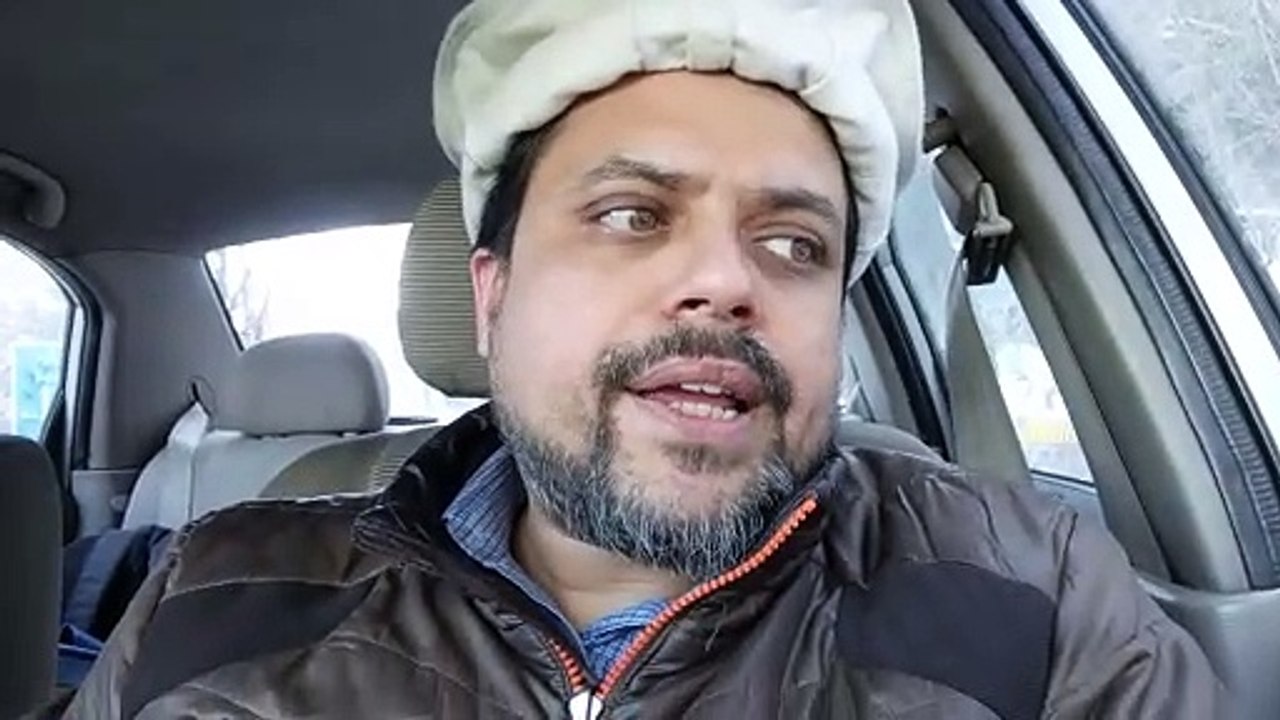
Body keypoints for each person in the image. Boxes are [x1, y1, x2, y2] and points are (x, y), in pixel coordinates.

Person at [60, 0, 1225, 717]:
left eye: (793, 243)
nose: (724, 280)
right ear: (492, 295)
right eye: (630, 215)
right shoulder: (218, 601)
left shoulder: (1032, 603)